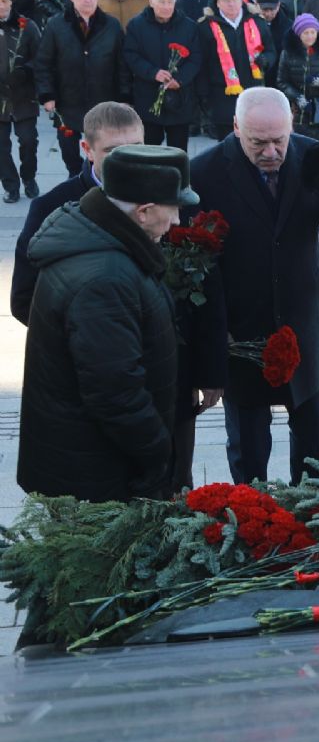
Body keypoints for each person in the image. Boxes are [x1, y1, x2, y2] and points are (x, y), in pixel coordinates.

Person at [188, 87, 319, 484]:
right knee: (248, 447)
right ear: (236, 128)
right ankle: (253, 519)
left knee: (313, 441)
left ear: (291, 128)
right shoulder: (203, 174)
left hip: (301, 326)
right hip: (242, 334)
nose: (271, 151)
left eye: (279, 140)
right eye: (258, 142)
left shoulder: (314, 157)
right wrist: (210, 350)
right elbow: (197, 271)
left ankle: (315, 517)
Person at [18, 145, 197, 501]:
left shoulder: (105, 241)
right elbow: (116, 394)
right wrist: (159, 453)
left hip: (92, 461)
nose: (177, 220)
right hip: (97, 477)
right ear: (144, 212)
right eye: (173, 208)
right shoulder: (105, 280)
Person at [11, 102, 144, 322]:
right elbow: (24, 300)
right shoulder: (50, 207)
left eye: (137, 147)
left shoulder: (162, 196)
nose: (128, 159)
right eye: (114, 151)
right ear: (87, 150)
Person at [35, 0, 130, 175]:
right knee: (68, 146)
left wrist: (124, 96)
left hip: (103, 97)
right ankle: (75, 176)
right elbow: (43, 62)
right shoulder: (56, 25)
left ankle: (97, 176)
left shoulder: (111, 25)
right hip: (68, 97)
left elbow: (122, 65)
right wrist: (47, 94)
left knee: (102, 146)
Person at [196, 0, 275, 140]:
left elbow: (270, 50)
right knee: (227, 143)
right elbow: (201, 63)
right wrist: (203, 96)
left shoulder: (256, 23)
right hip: (221, 94)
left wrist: (265, 60)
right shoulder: (206, 27)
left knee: (253, 139)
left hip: (252, 91)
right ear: (217, 2)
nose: (231, 3)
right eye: (226, 0)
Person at [123, 0, 202, 151]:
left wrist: (179, 80)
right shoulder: (136, 25)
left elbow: (196, 58)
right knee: (149, 149)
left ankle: (177, 177)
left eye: (170, 2)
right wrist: (153, 73)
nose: (166, 6)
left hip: (180, 98)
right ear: (151, 2)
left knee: (178, 150)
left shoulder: (189, 26)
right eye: (161, 2)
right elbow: (131, 55)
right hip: (148, 95)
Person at [0, 0, 41, 202]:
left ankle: (29, 178)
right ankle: (10, 185)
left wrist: (26, 71)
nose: (0, 5)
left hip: (24, 96)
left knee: (28, 141)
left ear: (11, 2)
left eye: (4, 0)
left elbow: (42, 57)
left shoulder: (27, 26)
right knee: (1, 148)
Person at [277, 13, 319, 138]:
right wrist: (297, 97)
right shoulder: (287, 54)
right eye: (306, 33)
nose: (310, 36)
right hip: (300, 113)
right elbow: (282, 82)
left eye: (313, 32)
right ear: (299, 35)